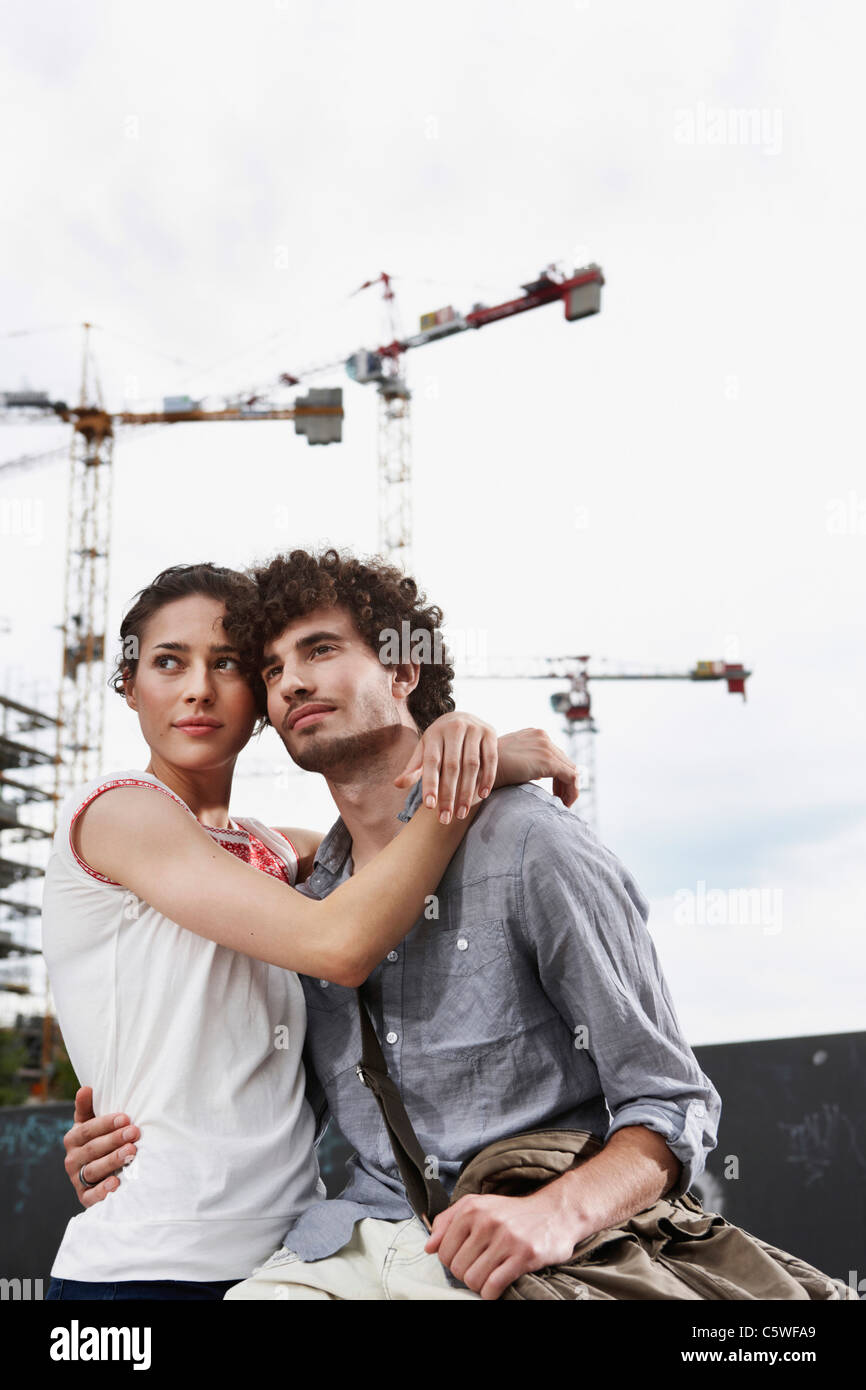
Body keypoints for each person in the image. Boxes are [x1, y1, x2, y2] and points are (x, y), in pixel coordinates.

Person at [67, 546, 719, 1302]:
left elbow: (673, 1101)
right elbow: (281, 1042)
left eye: (319, 650)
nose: (294, 682)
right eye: (273, 670)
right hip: (350, 1242)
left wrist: (555, 1212)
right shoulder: (309, 892)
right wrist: (127, 1136)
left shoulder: (532, 846)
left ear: (404, 671)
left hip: (530, 1251)